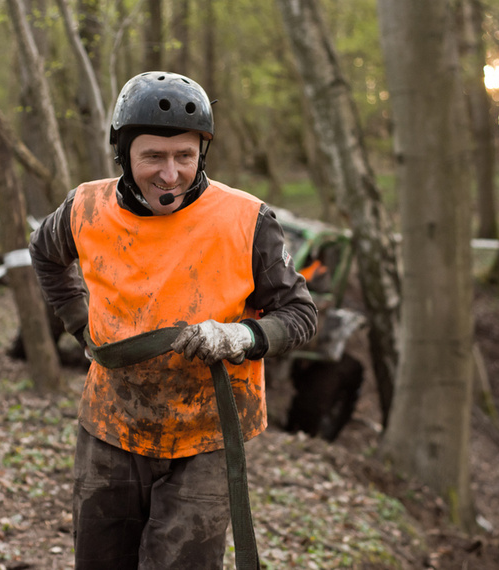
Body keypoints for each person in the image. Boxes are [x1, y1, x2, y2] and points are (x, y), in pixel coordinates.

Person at [28, 70, 317, 569]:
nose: (170, 174)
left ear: (202, 152)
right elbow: (45, 254)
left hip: (206, 436)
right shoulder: (86, 207)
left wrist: (242, 335)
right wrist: (81, 326)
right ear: (123, 155)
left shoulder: (246, 219)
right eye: (153, 157)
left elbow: (301, 314)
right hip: (111, 427)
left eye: (185, 156)